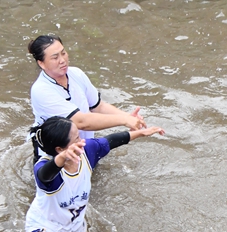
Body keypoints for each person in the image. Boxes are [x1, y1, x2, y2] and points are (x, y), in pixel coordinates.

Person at [13, 116, 164, 232]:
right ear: (60, 149)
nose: (82, 141)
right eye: (77, 138)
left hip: (74, 228)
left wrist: (140, 133)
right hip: (45, 227)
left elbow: (111, 141)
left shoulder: (87, 152)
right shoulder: (45, 168)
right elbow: (45, 175)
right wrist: (61, 159)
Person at [27, 34, 148, 162]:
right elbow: (81, 122)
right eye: (55, 57)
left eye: (63, 53)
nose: (62, 60)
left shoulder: (76, 74)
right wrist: (123, 120)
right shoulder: (41, 90)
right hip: (55, 158)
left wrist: (129, 117)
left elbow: (98, 106)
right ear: (41, 63)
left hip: (83, 146)